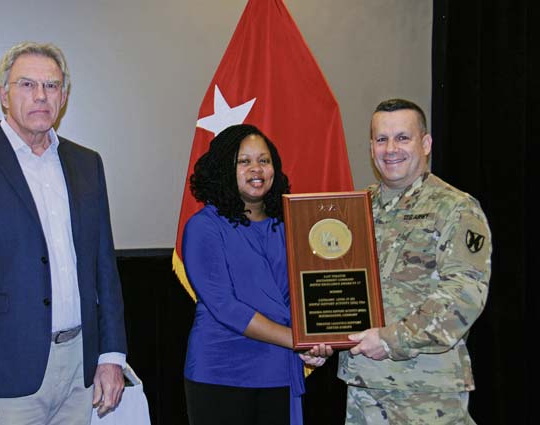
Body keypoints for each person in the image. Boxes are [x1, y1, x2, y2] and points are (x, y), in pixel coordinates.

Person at [0, 41, 127, 425]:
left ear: (63, 97)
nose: (40, 96)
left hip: (80, 370)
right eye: (27, 84)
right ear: (4, 94)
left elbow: (105, 268)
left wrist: (111, 355)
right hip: (4, 373)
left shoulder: (87, 164)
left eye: (51, 86)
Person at [334, 98, 491, 424]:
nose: (391, 149)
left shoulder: (456, 208)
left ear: (426, 143)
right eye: (382, 139)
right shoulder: (357, 208)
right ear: (371, 147)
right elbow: (339, 284)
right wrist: (320, 336)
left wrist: (392, 340)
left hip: (425, 392)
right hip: (364, 387)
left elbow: (463, 297)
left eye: (403, 138)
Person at [181, 124, 331, 425]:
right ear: (225, 168)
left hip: (278, 371)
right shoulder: (204, 227)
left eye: (264, 160)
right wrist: (297, 340)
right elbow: (226, 307)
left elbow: (307, 295)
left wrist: (318, 343)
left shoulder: (291, 225)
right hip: (221, 373)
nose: (256, 169)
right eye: (244, 161)